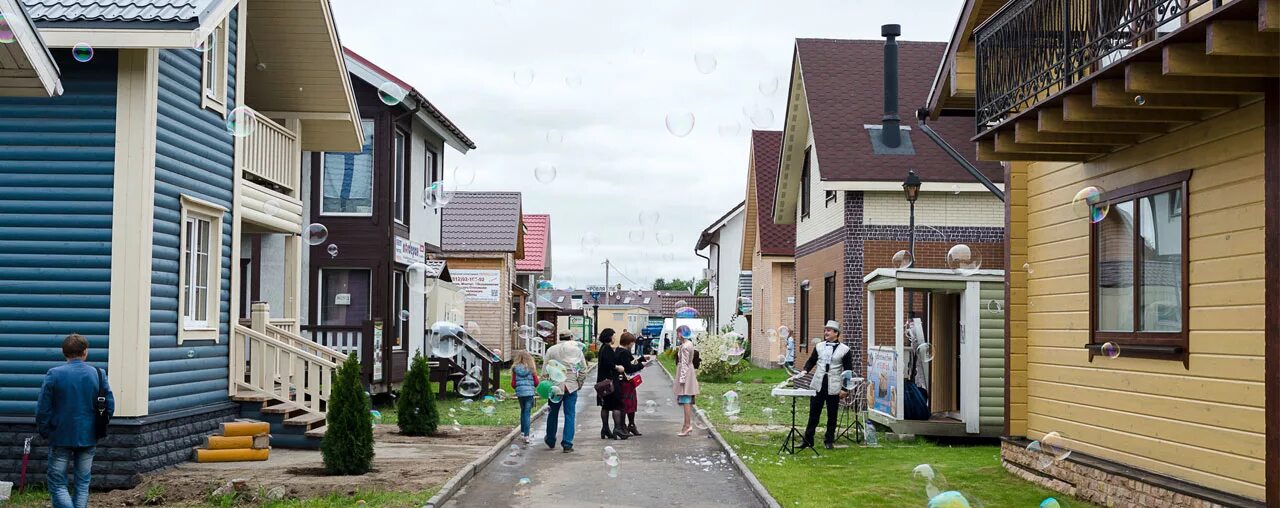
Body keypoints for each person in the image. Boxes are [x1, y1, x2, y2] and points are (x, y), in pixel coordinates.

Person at [37, 334, 114, 508]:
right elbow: (109, 405)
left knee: (57, 483)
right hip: (88, 434)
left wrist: (45, 430)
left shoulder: (54, 374)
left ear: (64, 353)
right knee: (82, 483)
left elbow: (43, 408)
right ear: (85, 352)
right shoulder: (98, 374)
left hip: (60, 434)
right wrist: (100, 425)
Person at [799, 321, 852, 450]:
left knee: (832, 415)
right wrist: (805, 370)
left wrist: (845, 388)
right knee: (813, 414)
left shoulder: (845, 350)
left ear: (836, 333)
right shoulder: (819, 346)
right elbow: (812, 360)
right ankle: (808, 439)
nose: (826, 333)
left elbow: (848, 370)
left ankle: (829, 440)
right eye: (825, 330)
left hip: (833, 385)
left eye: (829, 330)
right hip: (819, 383)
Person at [543, 333, 585, 452]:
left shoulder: (552, 350)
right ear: (571, 338)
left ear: (559, 338)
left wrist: (545, 385)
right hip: (571, 386)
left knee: (552, 413)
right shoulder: (577, 351)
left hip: (555, 386)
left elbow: (545, 371)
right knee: (570, 415)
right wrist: (578, 384)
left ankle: (550, 439)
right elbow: (583, 370)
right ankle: (567, 443)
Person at [595, 328, 632, 440]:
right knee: (617, 405)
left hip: (602, 381)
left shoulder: (602, 348)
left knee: (605, 406)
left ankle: (605, 429)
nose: (614, 338)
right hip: (610, 381)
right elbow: (608, 363)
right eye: (613, 336)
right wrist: (617, 367)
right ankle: (617, 429)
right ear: (609, 337)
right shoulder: (607, 349)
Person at [616, 332, 650, 437]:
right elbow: (630, 368)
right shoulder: (625, 352)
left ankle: (628, 425)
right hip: (626, 381)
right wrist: (642, 365)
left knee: (627, 404)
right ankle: (627, 426)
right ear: (628, 343)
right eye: (632, 343)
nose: (632, 345)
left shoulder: (618, 350)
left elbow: (630, 362)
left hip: (621, 381)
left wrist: (642, 359)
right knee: (628, 404)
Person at [509, 351, 539, 444]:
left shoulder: (515, 369)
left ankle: (522, 433)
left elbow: (513, 384)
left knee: (523, 411)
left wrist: (518, 388)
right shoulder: (531, 368)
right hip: (529, 393)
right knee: (527, 412)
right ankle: (526, 435)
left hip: (520, 394)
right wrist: (532, 387)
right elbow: (536, 382)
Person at [673, 332, 700, 436]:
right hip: (689, 372)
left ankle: (687, 425)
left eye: (677, 333)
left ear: (680, 334)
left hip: (685, 374)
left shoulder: (684, 347)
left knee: (685, 400)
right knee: (686, 399)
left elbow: (684, 364)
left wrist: (682, 379)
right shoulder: (689, 344)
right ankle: (686, 425)